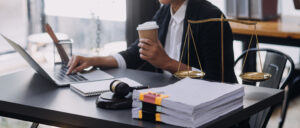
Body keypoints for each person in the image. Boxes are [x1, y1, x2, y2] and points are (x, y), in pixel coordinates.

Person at [67, 0, 237, 83]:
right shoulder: (165, 12)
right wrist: (92, 60)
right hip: (171, 100)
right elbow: (135, 53)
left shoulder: (211, 18)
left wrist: (168, 63)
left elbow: (217, 81)